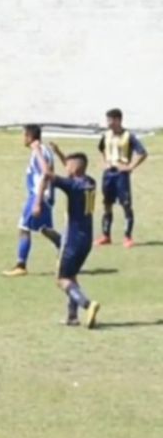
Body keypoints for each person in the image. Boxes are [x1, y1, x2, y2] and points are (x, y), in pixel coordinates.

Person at [46, 144, 103, 328]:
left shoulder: (72, 186)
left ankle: (87, 304)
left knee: (61, 279)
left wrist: (39, 153)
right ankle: (72, 316)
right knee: (72, 276)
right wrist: (60, 153)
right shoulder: (90, 182)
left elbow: (49, 176)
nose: (66, 167)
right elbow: (71, 172)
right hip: (87, 240)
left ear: (76, 168)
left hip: (72, 239)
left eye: (69, 165)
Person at [3, 124, 62, 277]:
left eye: (24, 135)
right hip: (43, 196)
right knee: (44, 228)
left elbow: (46, 173)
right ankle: (63, 245)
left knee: (24, 228)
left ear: (29, 137)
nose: (23, 139)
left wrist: (37, 202)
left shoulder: (40, 151)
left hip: (38, 195)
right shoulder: (44, 151)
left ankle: (21, 265)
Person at [97, 108, 148, 248]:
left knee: (126, 205)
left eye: (110, 120)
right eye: (107, 120)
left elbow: (142, 153)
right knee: (107, 204)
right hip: (108, 174)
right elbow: (101, 148)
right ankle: (106, 235)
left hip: (121, 174)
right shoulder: (106, 135)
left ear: (118, 120)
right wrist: (105, 162)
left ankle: (127, 237)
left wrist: (130, 166)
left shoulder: (128, 136)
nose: (108, 123)